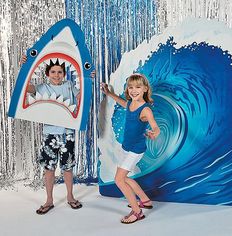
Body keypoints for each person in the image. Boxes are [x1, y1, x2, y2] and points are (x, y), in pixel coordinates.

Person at [21, 55, 95, 214]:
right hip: (50, 135)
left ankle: (70, 196)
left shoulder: (69, 85)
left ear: (64, 73)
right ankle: (49, 200)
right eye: (53, 72)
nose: (56, 75)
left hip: (67, 134)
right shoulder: (42, 88)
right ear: (47, 74)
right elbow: (26, 87)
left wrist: (88, 80)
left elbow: (81, 97)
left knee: (67, 168)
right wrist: (24, 68)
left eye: (60, 72)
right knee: (49, 168)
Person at [101, 73, 160, 224]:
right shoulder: (130, 103)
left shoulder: (145, 109)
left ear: (145, 89)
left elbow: (155, 125)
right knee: (124, 178)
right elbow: (121, 102)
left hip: (136, 150)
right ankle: (145, 201)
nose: (134, 90)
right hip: (126, 147)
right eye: (131, 87)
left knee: (119, 180)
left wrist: (155, 132)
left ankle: (137, 211)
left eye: (138, 87)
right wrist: (109, 93)